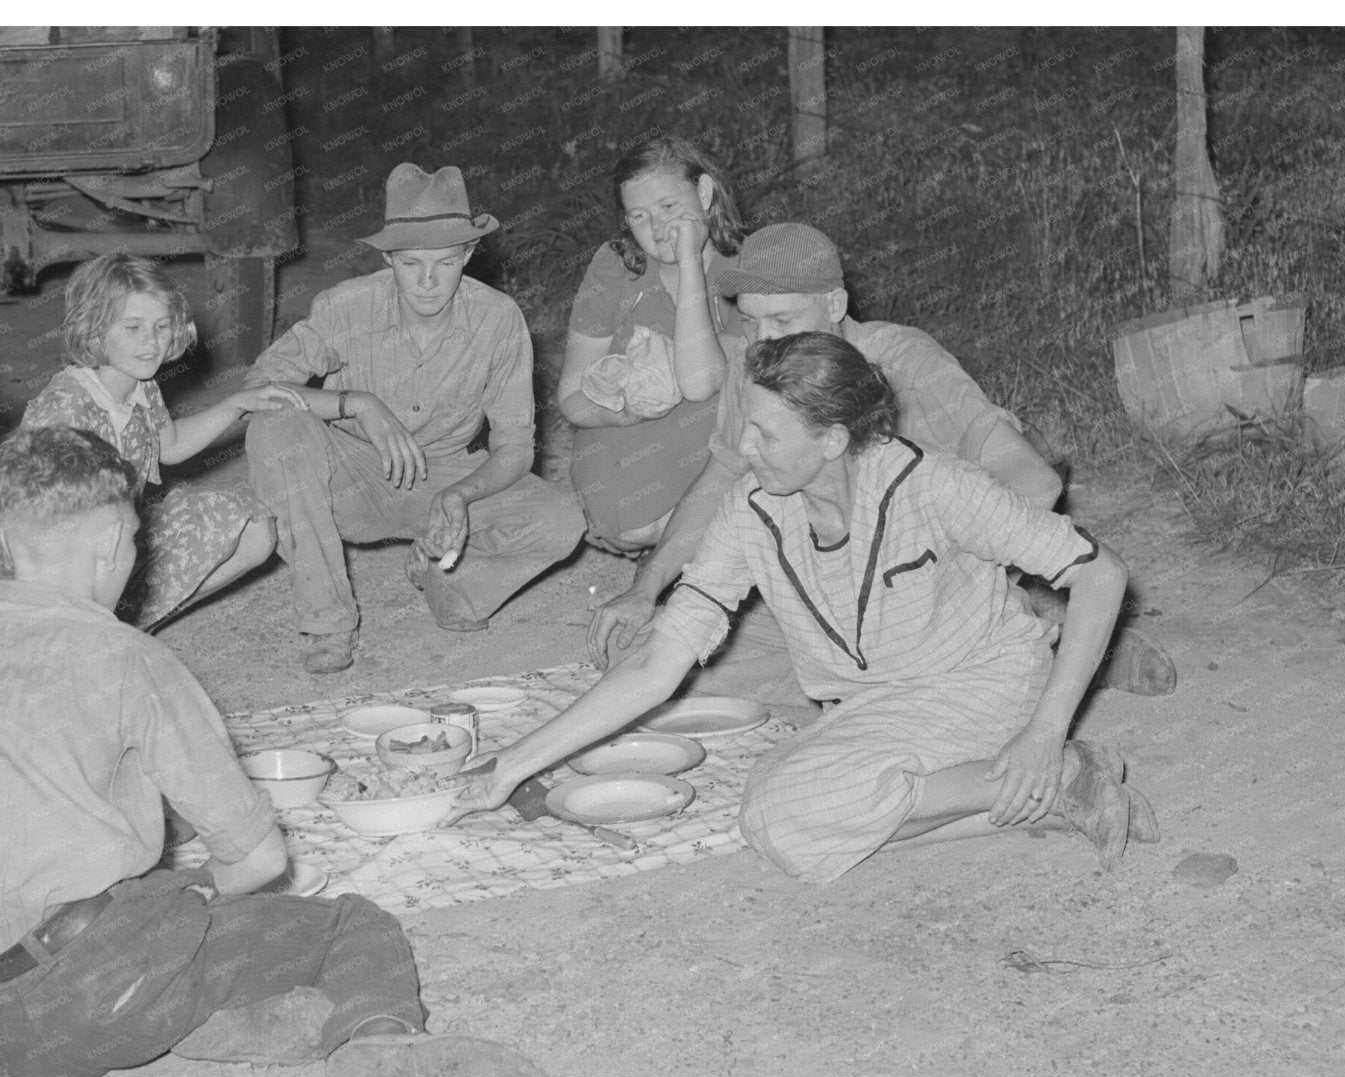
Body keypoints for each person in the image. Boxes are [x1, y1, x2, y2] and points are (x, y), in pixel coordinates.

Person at [0, 424, 550, 1077]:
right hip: (95, 993)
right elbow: (259, 857)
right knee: (351, 926)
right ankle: (379, 1039)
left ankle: (209, 1013)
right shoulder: (127, 658)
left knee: (160, 930)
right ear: (114, 546)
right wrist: (193, 895)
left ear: (9, 539)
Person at [461, 333, 1159, 882]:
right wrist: (511, 764)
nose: (743, 447)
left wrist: (1042, 728)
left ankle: (1051, 766)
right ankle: (1056, 789)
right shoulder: (752, 512)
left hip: (983, 684)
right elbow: (658, 659)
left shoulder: (934, 486)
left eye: (765, 433)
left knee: (786, 807)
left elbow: (1103, 576)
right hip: (880, 708)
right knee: (785, 822)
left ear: (831, 441)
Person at [589, 222, 1175, 700]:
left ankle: (1054, 641)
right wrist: (649, 587)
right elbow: (721, 479)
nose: (763, 340)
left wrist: (947, 586)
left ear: (837, 304)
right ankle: (1045, 639)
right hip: (843, 577)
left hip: (935, 568)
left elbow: (1034, 479)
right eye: (751, 321)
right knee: (696, 670)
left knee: (851, 677)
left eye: (783, 321)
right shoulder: (762, 372)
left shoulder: (903, 362)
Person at [238, 163, 585, 674]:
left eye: (445, 263)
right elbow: (256, 388)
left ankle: (450, 578)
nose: (426, 282)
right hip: (347, 479)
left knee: (562, 518)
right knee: (274, 427)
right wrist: (353, 402)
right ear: (387, 258)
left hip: (444, 474)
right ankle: (328, 622)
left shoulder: (498, 318)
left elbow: (516, 446)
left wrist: (460, 495)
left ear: (469, 254)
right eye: (409, 264)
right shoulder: (345, 306)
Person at [20, 253, 307, 629]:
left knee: (255, 529)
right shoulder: (67, 407)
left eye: (161, 326)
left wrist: (237, 403)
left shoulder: (142, 386)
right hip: (67, 564)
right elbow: (37, 522)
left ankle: (139, 624)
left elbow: (169, 446)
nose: (151, 343)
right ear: (92, 331)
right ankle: (89, 631)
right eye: (132, 327)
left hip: (124, 538)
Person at [560, 135, 745, 554]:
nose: (658, 229)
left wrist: (689, 264)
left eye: (668, 207)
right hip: (630, 430)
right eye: (639, 216)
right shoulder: (615, 266)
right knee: (626, 523)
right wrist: (624, 414)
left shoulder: (747, 267)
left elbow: (700, 383)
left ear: (703, 191)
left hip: (708, 430)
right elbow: (572, 398)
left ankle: (690, 548)